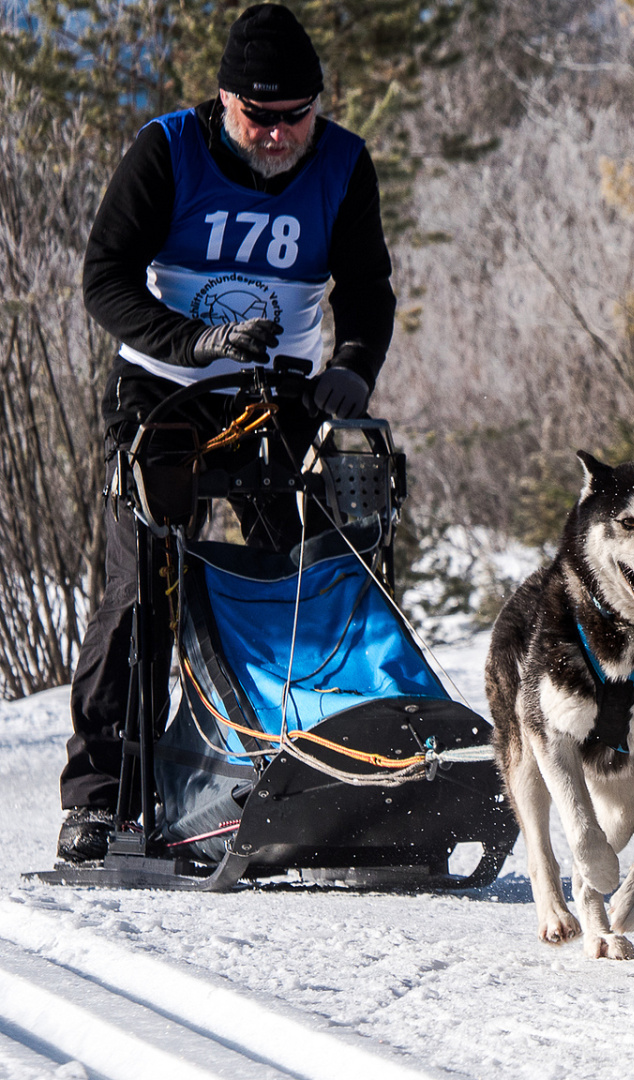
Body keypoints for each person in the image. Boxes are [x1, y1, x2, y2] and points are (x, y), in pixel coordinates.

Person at [57, 3, 396, 864]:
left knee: (313, 577)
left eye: (296, 117)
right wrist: (192, 342)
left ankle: (328, 771)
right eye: (259, 117)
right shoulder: (166, 149)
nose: (279, 134)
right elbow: (104, 278)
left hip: (280, 395)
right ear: (224, 100)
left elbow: (366, 290)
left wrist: (352, 367)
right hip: (165, 391)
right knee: (144, 590)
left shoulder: (346, 164)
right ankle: (104, 800)